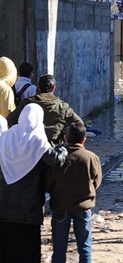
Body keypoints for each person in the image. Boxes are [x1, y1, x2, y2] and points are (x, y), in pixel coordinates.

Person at [0, 104, 67, 263]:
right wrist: (63, 148)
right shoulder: (36, 139)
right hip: (28, 209)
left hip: (3, 207)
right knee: (28, 250)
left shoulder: (6, 136)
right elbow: (55, 159)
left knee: (6, 249)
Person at [46, 122, 102, 263]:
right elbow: (97, 182)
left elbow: (48, 183)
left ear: (65, 138)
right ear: (84, 139)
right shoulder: (91, 158)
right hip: (83, 207)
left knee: (59, 249)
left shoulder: (58, 158)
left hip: (60, 206)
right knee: (85, 248)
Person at [8, 74, 84, 145]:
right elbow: (79, 123)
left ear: (38, 87)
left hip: (30, 147)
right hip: (53, 147)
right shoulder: (62, 106)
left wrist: (20, 134)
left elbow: (10, 120)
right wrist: (64, 135)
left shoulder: (27, 103)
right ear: (54, 88)